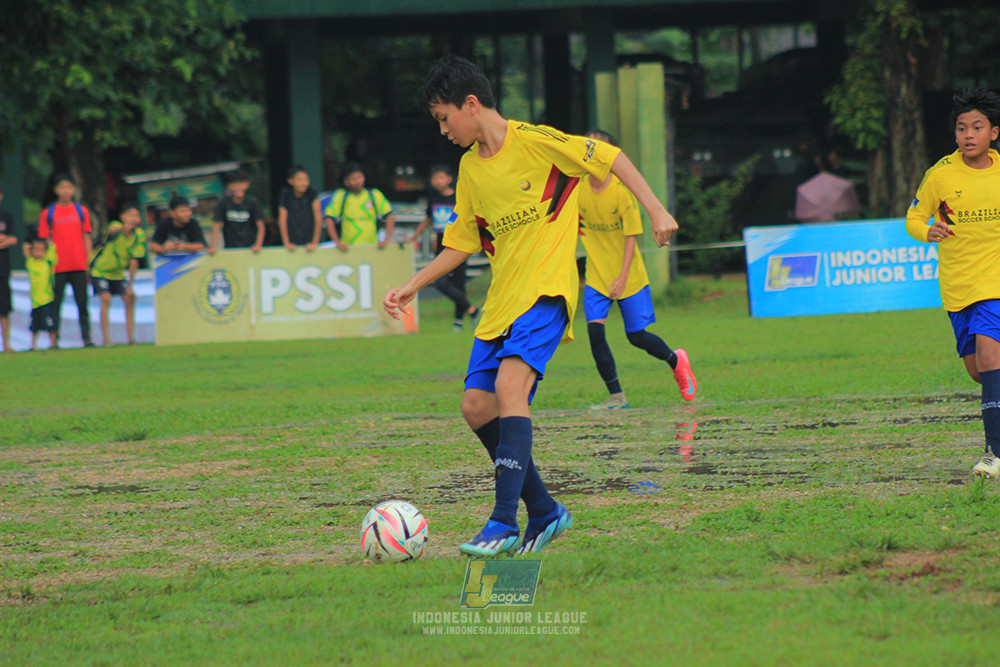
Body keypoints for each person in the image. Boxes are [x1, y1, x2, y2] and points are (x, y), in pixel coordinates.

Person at [383, 55, 678, 556]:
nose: (443, 130)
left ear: (470, 104)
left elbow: (611, 159)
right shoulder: (470, 168)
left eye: (444, 117)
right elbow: (462, 241)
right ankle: (544, 511)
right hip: (501, 302)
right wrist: (415, 283)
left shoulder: (538, 142)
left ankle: (502, 522)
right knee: (477, 407)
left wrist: (656, 209)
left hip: (547, 293)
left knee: (509, 386)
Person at [905, 88, 1000, 479]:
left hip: (995, 285)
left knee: (992, 358)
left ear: (994, 132)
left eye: (977, 127)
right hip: (958, 286)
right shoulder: (940, 174)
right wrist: (928, 231)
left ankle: (994, 454)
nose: (968, 134)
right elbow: (913, 219)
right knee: (979, 371)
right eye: (962, 128)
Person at [578, 129, 697, 410]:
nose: (594, 154)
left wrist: (621, 279)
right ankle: (616, 397)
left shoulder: (622, 192)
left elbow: (631, 239)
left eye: (601, 149)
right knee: (595, 333)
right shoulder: (576, 189)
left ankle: (676, 361)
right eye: (589, 148)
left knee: (636, 337)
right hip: (596, 275)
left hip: (628, 275)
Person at [408, 164, 480, 332]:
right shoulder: (433, 198)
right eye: (435, 178)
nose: (438, 181)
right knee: (440, 282)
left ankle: (458, 323)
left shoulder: (458, 197)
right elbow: (428, 220)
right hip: (441, 247)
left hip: (459, 246)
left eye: (441, 177)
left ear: (449, 179)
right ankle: (472, 309)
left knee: (459, 284)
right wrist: (413, 237)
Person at [38, 173, 94, 348]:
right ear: (56, 190)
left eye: (69, 187)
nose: (66, 191)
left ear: (74, 190)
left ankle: (87, 339)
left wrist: (88, 262)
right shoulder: (48, 213)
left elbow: (86, 236)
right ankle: (54, 340)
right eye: (62, 187)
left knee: (82, 304)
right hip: (57, 266)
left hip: (78, 264)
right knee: (55, 304)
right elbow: (44, 241)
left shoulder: (81, 211)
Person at [89, 202, 147, 346]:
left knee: (129, 298)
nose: (133, 219)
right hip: (100, 270)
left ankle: (131, 338)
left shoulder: (139, 235)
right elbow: (113, 230)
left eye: (136, 216)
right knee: (106, 298)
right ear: (122, 217)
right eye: (130, 215)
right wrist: (122, 229)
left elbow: (135, 260)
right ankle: (106, 339)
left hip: (118, 273)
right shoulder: (115, 226)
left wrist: (130, 284)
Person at [324, 162, 396, 249]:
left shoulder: (374, 194)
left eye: (360, 177)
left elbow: (390, 216)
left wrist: (386, 240)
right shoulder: (341, 195)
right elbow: (329, 219)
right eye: (354, 179)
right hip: (349, 249)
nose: (358, 181)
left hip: (371, 247)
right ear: (346, 182)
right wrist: (337, 242)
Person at [210, 170, 266, 253]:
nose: (238, 187)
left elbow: (260, 225)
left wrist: (258, 245)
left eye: (241, 184)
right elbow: (217, 225)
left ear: (247, 185)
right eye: (234, 184)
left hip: (250, 249)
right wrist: (213, 246)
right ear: (229, 186)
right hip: (230, 249)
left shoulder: (253, 202)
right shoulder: (223, 203)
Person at [23, 231, 58, 351]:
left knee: (50, 323)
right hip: (35, 301)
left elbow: (53, 249)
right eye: (36, 250)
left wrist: (49, 242)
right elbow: (26, 248)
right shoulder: (30, 262)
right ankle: (33, 346)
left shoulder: (48, 262)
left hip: (47, 299)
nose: (39, 252)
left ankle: (53, 344)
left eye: (41, 250)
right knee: (34, 325)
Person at [278, 165, 321, 251]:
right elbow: (282, 219)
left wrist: (314, 242)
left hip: (309, 240)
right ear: (291, 181)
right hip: (292, 240)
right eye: (300, 180)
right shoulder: (285, 194)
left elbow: (318, 218)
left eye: (306, 179)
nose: (304, 183)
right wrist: (287, 243)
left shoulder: (312, 192)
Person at [0, 187, 17, 352]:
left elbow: (13, 238)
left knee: (4, 308)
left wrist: (4, 240)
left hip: (3, 269)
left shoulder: (6, 216)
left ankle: (6, 344)